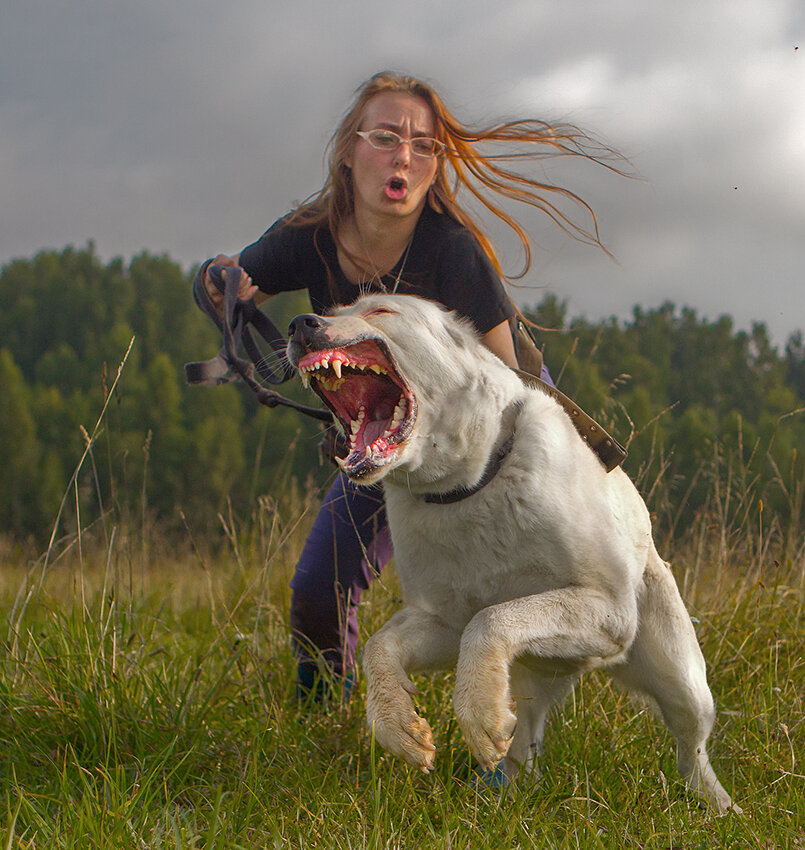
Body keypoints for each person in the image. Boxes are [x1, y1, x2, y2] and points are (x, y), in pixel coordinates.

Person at [199, 71, 628, 699]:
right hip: (385, 436)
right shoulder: (307, 235)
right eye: (387, 137)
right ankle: (327, 713)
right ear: (349, 151)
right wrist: (221, 282)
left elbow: (511, 388)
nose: (405, 155)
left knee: (514, 587)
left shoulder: (452, 252)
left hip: (500, 432)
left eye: (424, 145)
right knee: (319, 587)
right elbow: (242, 282)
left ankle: (509, 747)